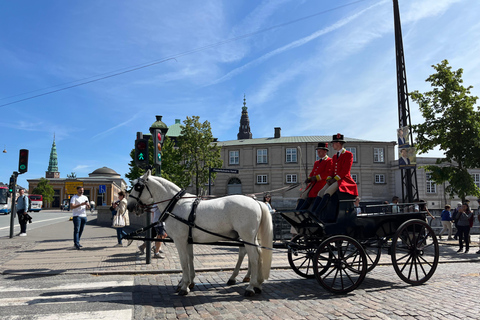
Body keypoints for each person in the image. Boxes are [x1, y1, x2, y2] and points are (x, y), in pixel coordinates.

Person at [312, 133, 358, 217]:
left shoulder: (348, 154)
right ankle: (312, 211)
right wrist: (329, 178)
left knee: (327, 192)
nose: (332, 145)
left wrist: (334, 179)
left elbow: (345, 170)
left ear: (338, 143)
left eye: (333, 143)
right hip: (334, 179)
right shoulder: (334, 156)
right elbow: (332, 170)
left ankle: (317, 213)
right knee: (320, 192)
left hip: (343, 179)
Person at [296, 142, 333, 210]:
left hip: (322, 183)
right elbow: (313, 172)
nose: (318, 153)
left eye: (320, 151)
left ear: (325, 151)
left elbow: (327, 173)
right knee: (304, 194)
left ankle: (305, 211)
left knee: (311, 194)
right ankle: (298, 210)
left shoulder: (329, 161)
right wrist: (309, 178)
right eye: (317, 151)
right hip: (314, 183)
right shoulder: (317, 162)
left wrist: (316, 177)